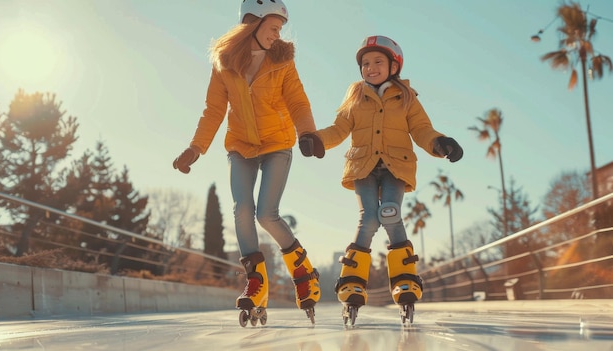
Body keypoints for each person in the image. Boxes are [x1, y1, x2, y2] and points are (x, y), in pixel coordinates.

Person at [172, 0, 323, 325]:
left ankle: (303, 270)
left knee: (266, 214)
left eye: (280, 29)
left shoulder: (282, 60)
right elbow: (214, 110)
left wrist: (307, 133)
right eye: (273, 27)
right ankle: (256, 281)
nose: (277, 34)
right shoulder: (224, 62)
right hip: (240, 145)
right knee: (242, 209)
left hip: (277, 144)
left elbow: (297, 99)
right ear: (253, 22)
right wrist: (196, 148)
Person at [299, 35, 463, 324]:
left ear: (393, 66)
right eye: (365, 63)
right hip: (362, 165)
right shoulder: (355, 96)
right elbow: (339, 128)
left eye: (377, 62)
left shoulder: (407, 98)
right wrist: (316, 140)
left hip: (395, 166)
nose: (370, 67)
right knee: (368, 219)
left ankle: (405, 279)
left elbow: (422, 129)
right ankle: (352, 281)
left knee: (390, 213)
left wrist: (441, 143)